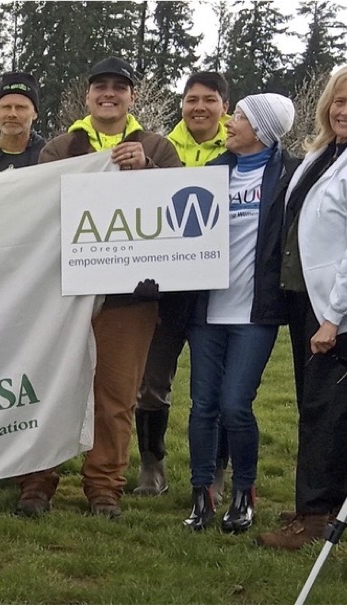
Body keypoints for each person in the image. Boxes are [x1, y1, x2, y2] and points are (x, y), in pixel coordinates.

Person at [16, 57, 182, 519]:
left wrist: (146, 169)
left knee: (115, 395)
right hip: (63, 293)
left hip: (129, 296)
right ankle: (37, 480)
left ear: (132, 97)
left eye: (119, 87)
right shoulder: (59, 147)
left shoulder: (158, 147)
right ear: (88, 97)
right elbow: (39, 206)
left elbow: (180, 208)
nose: (109, 94)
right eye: (100, 87)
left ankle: (105, 485)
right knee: (50, 388)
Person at [257, 63, 347, 550]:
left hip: (341, 312)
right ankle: (315, 502)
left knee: (331, 411)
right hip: (307, 301)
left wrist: (334, 315)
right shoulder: (324, 151)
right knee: (313, 405)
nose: (345, 110)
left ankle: (318, 515)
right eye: (339, 101)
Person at [182, 93, 298, 533]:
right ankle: (201, 495)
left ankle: (243, 493)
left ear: (264, 130)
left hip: (254, 312)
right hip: (206, 310)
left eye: (242, 118)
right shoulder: (214, 172)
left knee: (235, 405)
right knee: (202, 406)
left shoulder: (289, 175)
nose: (229, 122)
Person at [135, 70, 233, 498]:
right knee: (152, 380)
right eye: (192, 99)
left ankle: (216, 471)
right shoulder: (161, 146)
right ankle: (151, 465)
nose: (199, 107)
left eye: (209, 99)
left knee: (220, 384)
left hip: (222, 288)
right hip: (166, 288)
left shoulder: (243, 145)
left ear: (224, 106)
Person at [0, 72, 44, 172]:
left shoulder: (48, 157)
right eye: (6, 107)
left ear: (35, 113)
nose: (12, 114)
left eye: (20, 107)